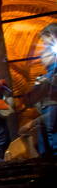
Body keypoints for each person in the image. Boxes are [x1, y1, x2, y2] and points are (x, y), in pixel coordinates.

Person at [29, 23, 57, 158]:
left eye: (44, 39)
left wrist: (46, 81)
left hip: (53, 101)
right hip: (49, 101)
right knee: (48, 130)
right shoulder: (51, 58)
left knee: (51, 130)